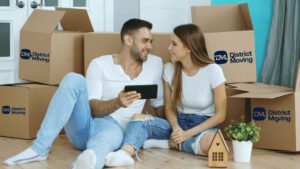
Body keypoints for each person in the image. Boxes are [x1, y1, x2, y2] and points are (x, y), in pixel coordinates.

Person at [3, 18, 164, 169]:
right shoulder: (100, 64)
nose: (149, 46)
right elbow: (92, 108)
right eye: (145, 41)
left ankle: (87, 160)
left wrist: (171, 131)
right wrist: (117, 102)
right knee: (73, 79)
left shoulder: (155, 64)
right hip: (85, 124)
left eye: (151, 41)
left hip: (115, 128)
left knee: (98, 149)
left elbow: (159, 106)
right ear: (128, 40)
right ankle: (40, 148)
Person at [105, 24, 227, 167]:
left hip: (203, 127)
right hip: (178, 124)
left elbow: (220, 115)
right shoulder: (169, 69)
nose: (169, 48)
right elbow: (168, 107)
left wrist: (187, 134)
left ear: (189, 47)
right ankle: (124, 154)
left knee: (214, 145)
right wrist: (176, 129)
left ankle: (170, 144)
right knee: (138, 119)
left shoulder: (213, 71)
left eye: (174, 44)